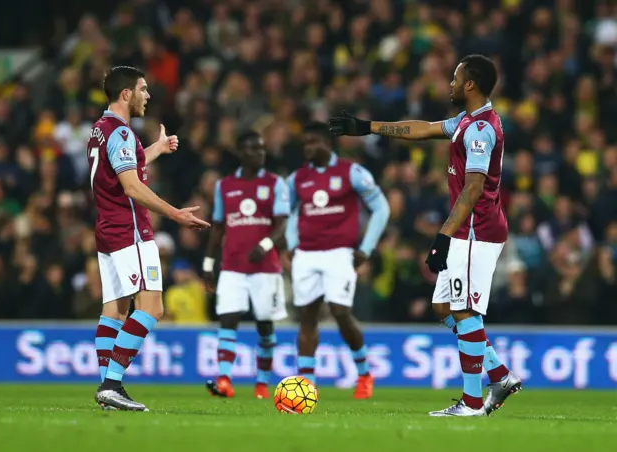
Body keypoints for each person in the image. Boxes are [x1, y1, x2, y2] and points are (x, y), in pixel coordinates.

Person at [329, 54, 521, 416]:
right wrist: (368, 126)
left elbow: (473, 189)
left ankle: (471, 402)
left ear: (470, 85)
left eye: (454, 78)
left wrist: (444, 235)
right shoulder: (467, 120)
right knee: (443, 306)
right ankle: (499, 375)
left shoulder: (480, 129)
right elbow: (422, 129)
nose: (449, 84)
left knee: (465, 310)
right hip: (467, 229)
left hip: (475, 231)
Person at [89, 66, 210, 411]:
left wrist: (154, 149)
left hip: (108, 229)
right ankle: (112, 384)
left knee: (114, 309)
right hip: (130, 230)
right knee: (152, 306)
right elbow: (130, 186)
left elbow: (120, 171)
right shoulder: (122, 134)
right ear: (126, 94)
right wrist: (175, 214)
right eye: (143, 89)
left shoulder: (101, 129)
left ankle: (107, 388)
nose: (148, 95)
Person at [286, 121, 390, 399]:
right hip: (306, 253)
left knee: (340, 312)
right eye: (305, 143)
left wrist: (365, 249)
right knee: (307, 315)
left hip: (339, 253)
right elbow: (289, 212)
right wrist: (292, 244)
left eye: (313, 142)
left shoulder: (351, 172)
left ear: (327, 143)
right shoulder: (297, 178)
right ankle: (306, 385)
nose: (307, 148)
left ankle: (364, 372)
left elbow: (381, 208)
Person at [202, 131, 290, 399]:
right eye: (253, 149)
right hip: (232, 266)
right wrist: (208, 263)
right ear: (241, 153)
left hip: (266, 269)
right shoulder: (225, 186)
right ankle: (225, 379)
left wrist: (264, 245)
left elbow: (282, 225)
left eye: (262, 149)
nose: (259, 154)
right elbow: (218, 227)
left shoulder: (276, 184)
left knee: (264, 324)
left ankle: (262, 383)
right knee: (228, 320)